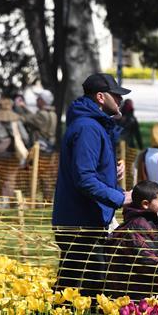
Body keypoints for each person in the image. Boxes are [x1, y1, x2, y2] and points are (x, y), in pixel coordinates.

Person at [52, 73, 131, 297]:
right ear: (100, 97)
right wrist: (121, 198)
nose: (120, 100)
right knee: (94, 286)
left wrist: (110, 173)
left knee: (73, 286)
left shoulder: (91, 125)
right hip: (80, 222)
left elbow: (88, 170)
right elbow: (84, 178)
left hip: (80, 219)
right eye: (115, 95)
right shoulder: (88, 128)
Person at [104, 180, 158, 301]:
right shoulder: (137, 225)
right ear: (145, 204)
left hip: (142, 285)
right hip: (134, 290)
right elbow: (143, 255)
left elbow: (149, 246)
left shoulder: (145, 220)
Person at [0, 98, 32, 198]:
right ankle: (8, 200)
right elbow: (25, 137)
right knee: (10, 177)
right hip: (12, 152)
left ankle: (4, 199)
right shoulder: (15, 119)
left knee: (0, 176)